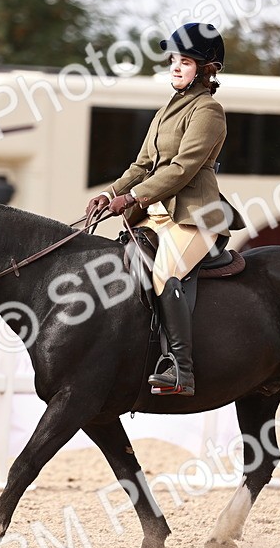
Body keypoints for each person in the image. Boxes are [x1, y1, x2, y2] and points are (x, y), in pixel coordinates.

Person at [85, 22, 242, 396]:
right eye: (174, 59)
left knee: (163, 273)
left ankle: (180, 369)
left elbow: (181, 169)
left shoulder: (208, 111)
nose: (175, 67)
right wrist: (110, 194)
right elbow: (142, 165)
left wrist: (134, 198)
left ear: (207, 69)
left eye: (185, 61)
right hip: (157, 215)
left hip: (195, 216)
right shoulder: (167, 110)